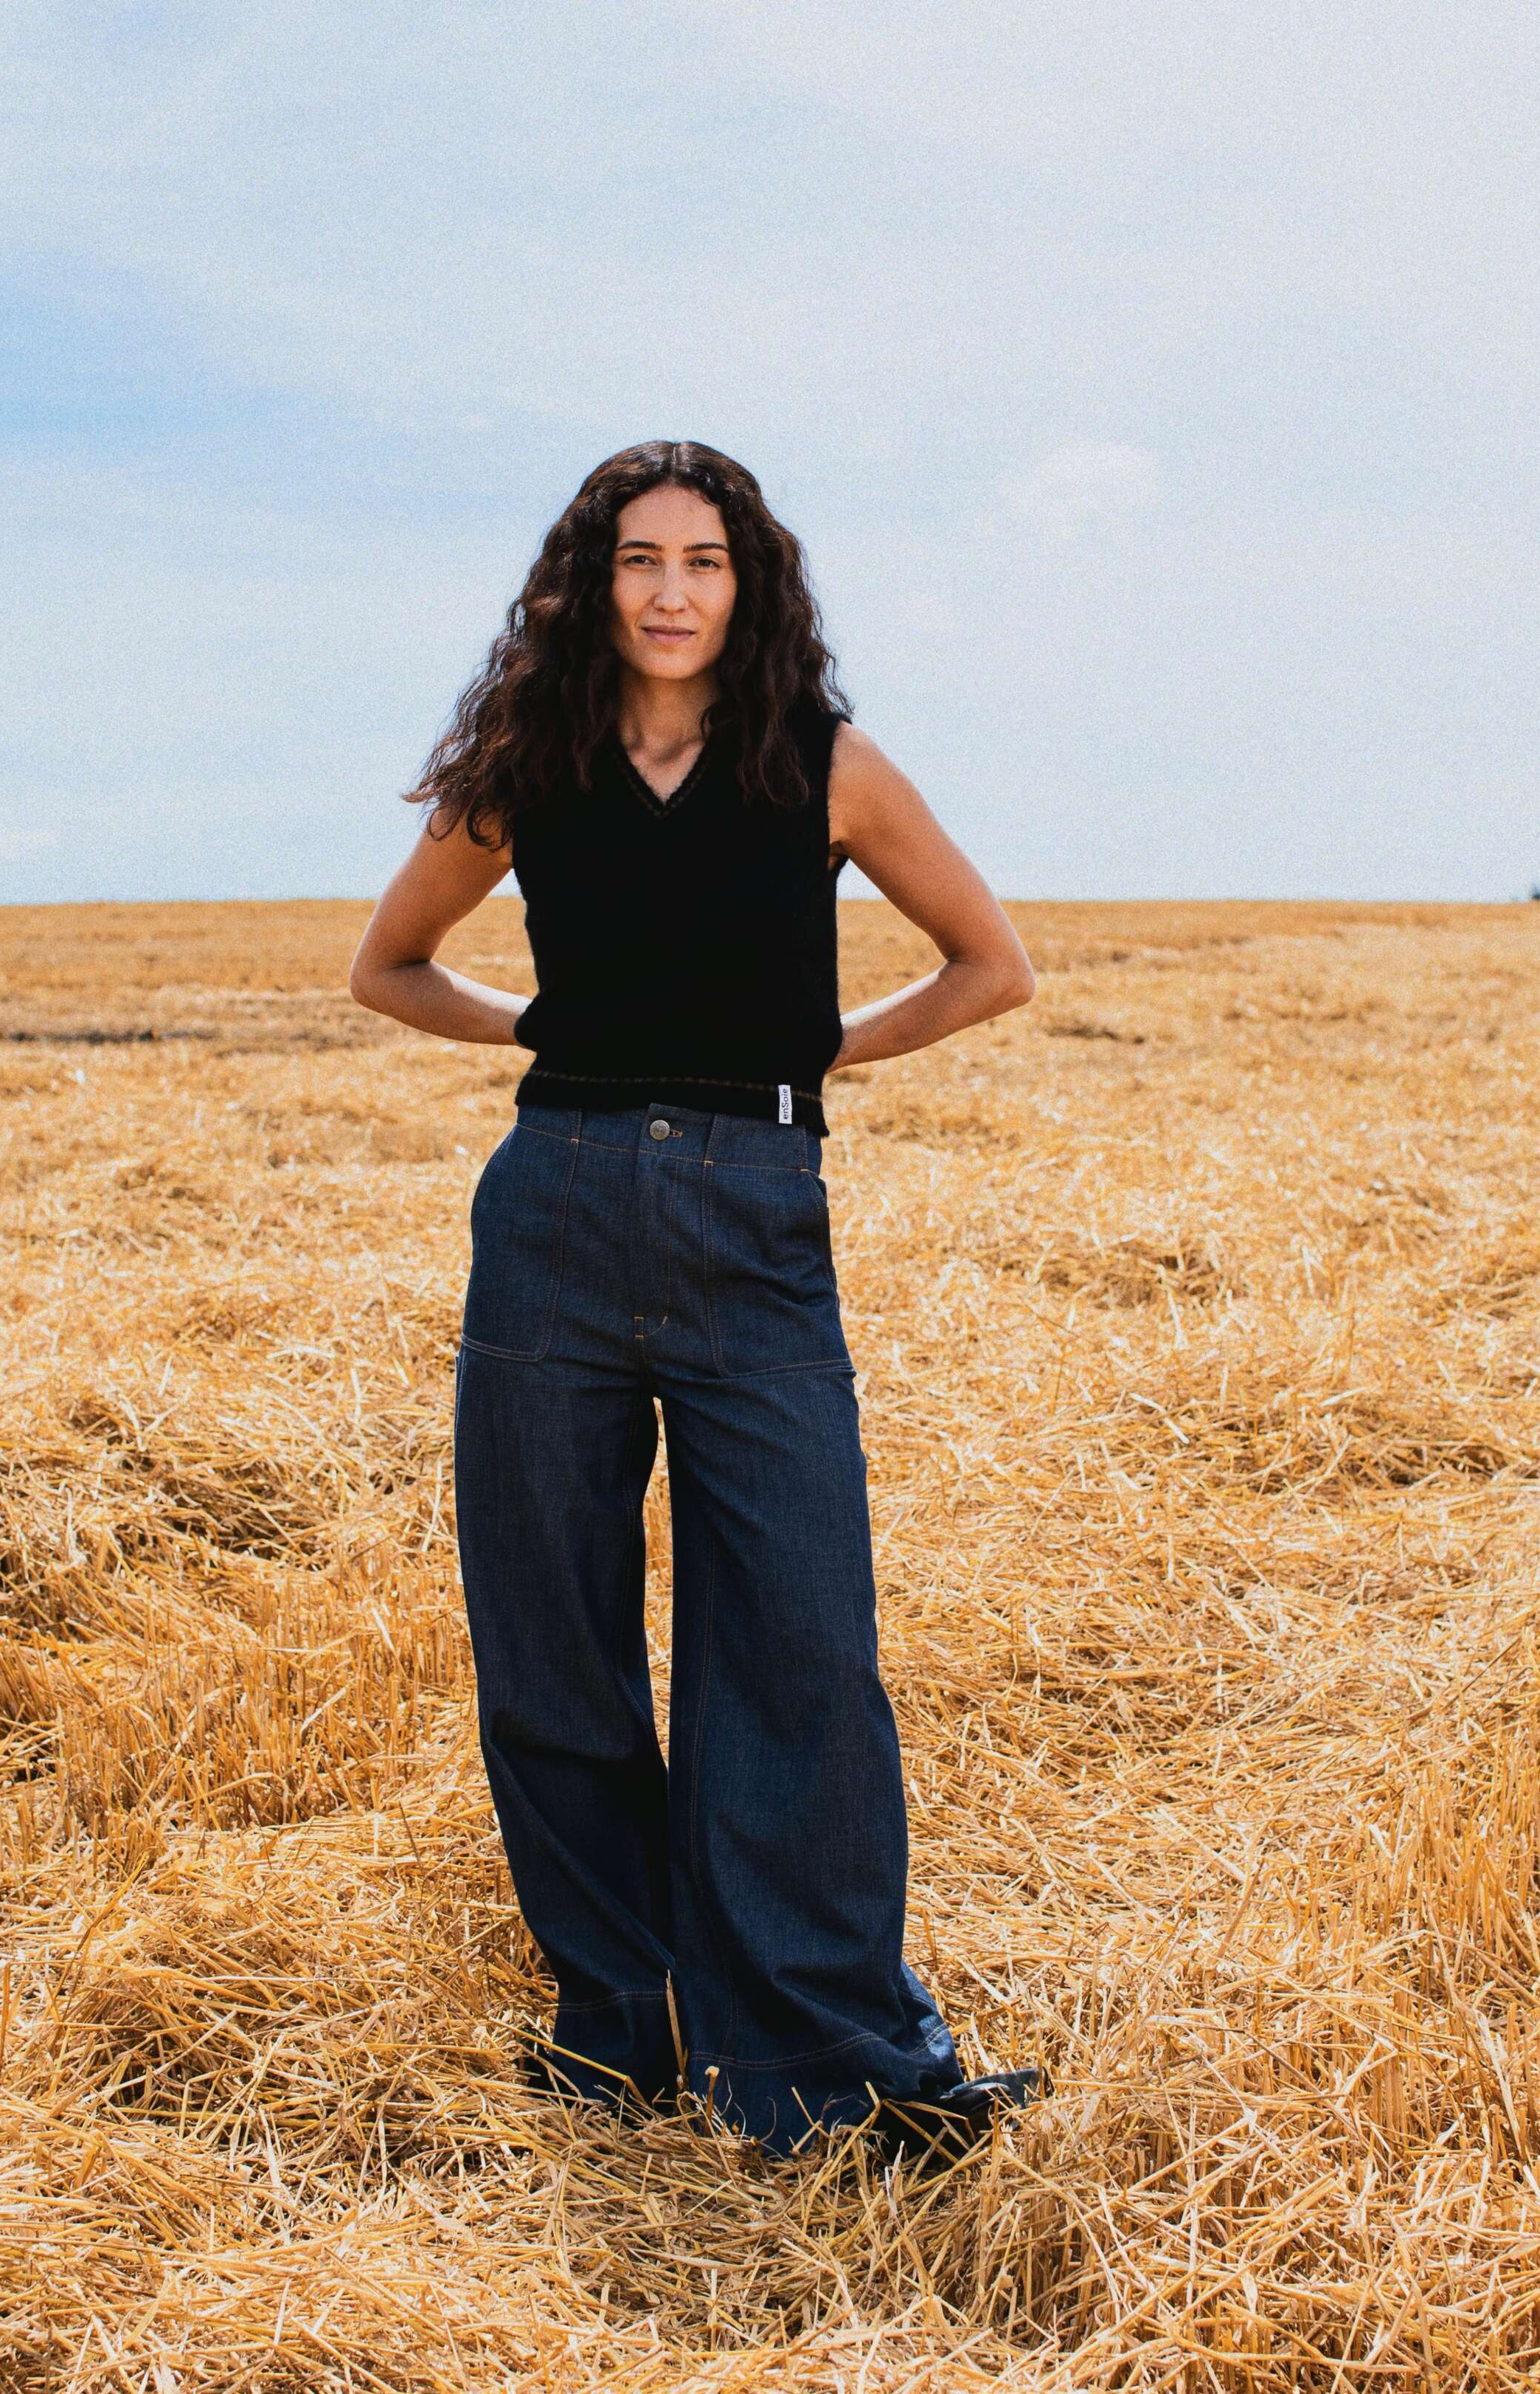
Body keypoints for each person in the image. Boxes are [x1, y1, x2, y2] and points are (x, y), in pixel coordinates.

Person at [351, 440, 1041, 2162]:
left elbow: (989, 966)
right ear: (591, 584)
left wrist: (814, 1052)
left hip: (754, 1213)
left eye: (703, 560)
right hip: (554, 1208)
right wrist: (539, 1028)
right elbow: (387, 967)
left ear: (750, 584)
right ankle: (623, 2027)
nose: (670, 591)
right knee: (552, 1639)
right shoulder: (526, 767)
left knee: (798, 1639)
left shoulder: (824, 765)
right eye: (638, 559)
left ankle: (834, 2057)